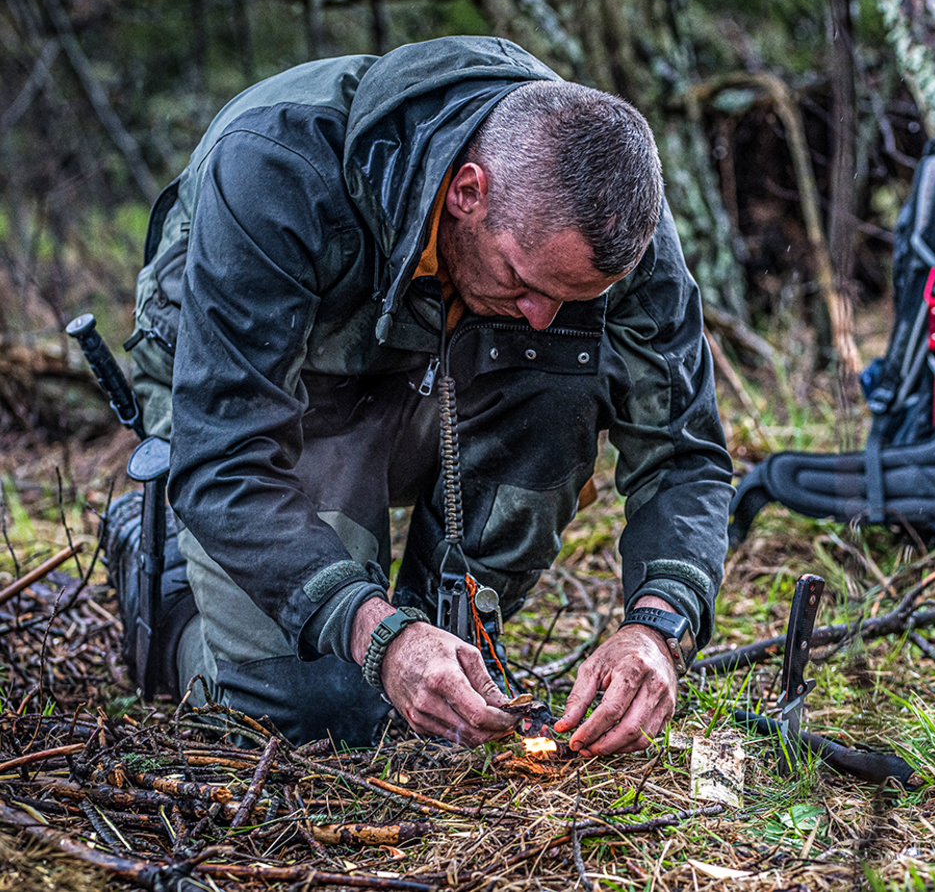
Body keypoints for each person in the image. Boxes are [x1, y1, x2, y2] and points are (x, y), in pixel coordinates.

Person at [108, 36, 733, 753]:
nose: (543, 314)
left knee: (423, 725)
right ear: (468, 191)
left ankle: (443, 643)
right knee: (316, 717)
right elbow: (227, 458)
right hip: (274, 406)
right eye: (524, 282)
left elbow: (684, 454)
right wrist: (374, 634)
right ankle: (164, 590)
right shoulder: (276, 167)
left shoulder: (615, 225)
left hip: (439, 374)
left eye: (568, 296)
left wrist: (658, 628)